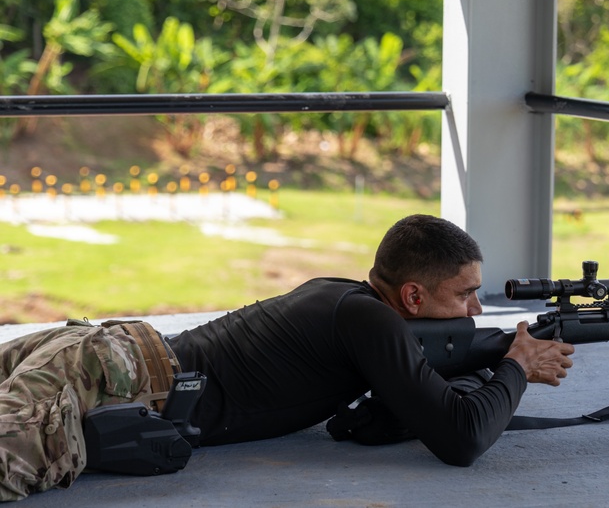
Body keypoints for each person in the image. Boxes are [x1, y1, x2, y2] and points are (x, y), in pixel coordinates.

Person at [0, 214, 575, 501]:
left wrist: (477, 367)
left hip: (98, 352)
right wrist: (517, 365)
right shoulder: (370, 320)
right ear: (413, 296)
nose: (476, 307)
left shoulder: (343, 294)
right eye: (465, 293)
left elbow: (366, 422)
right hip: (113, 382)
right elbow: (462, 439)